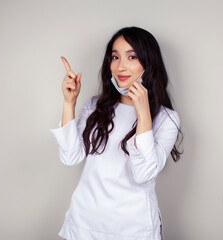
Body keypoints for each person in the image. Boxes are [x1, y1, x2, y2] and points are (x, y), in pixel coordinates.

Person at [50, 26, 182, 240]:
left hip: (135, 228)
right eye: (115, 57)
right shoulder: (95, 106)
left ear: (149, 64)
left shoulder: (166, 118)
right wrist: (69, 103)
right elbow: (70, 157)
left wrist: (143, 113)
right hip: (85, 222)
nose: (121, 66)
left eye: (132, 57)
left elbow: (144, 173)